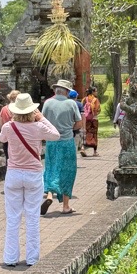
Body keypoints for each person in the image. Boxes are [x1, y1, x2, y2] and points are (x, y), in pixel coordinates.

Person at [0, 92, 59, 266]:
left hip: (14, 174)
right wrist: (42, 118)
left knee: (13, 217)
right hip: (33, 174)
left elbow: (1, 138)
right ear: (32, 110)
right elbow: (56, 135)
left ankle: (10, 258)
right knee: (32, 217)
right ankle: (32, 258)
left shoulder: (9, 127)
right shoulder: (38, 127)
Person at [40, 79, 81, 215]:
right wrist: (70, 129)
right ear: (67, 92)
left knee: (51, 168)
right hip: (67, 141)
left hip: (51, 141)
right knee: (68, 171)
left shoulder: (48, 103)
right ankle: (66, 205)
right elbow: (79, 123)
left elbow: (41, 121)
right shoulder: (71, 104)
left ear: (56, 90)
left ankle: (49, 195)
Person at [0, 89, 18, 162]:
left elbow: (1, 125)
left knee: (8, 159)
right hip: (18, 137)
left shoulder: (4, 109)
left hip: (7, 137)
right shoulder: (20, 109)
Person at [82, 87, 101, 156]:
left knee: (86, 133)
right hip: (94, 119)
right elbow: (98, 109)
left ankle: (83, 148)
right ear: (93, 92)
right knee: (94, 134)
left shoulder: (84, 99)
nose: (97, 92)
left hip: (86, 119)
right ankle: (95, 152)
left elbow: (82, 108)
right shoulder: (95, 100)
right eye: (96, 91)